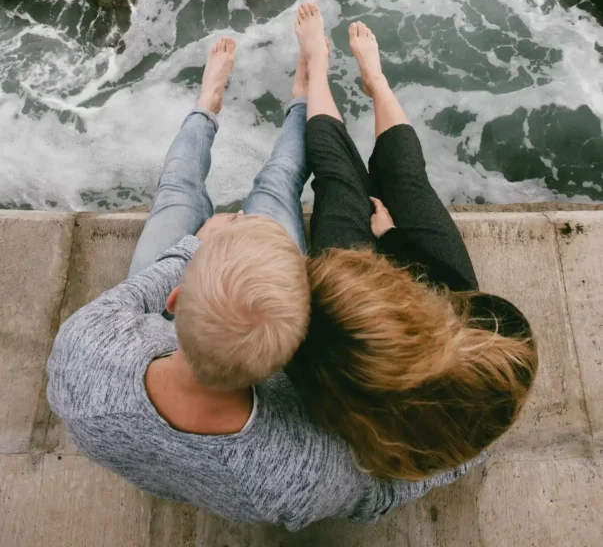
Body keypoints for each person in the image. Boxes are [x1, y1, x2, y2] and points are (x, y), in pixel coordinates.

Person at [46, 30, 477, 531]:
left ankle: (209, 104)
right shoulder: (302, 468)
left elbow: (127, 299)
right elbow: (378, 493)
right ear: (293, 356)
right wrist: (471, 448)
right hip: (220, 341)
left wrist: (193, 248)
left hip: (169, 327)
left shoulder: (84, 353)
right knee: (277, 183)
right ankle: (299, 98)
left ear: (178, 296)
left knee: (176, 192)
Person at [287, 3, 538, 481]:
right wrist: (394, 239)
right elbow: (451, 291)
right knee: (407, 180)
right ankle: (375, 81)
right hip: (448, 292)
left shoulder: (345, 383)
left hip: (362, 338)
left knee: (339, 182)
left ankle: (316, 68)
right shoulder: (498, 348)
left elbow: (307, 361)